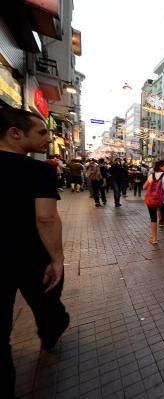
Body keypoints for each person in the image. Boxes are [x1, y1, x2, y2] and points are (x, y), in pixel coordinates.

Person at [0, 108, 69, 399]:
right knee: (47, 303)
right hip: (31, 256)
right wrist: (57, 258)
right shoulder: (39, 170)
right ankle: (50, 332)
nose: (48, 137)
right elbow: (46, 218)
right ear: (15, 133)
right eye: (41, 132)